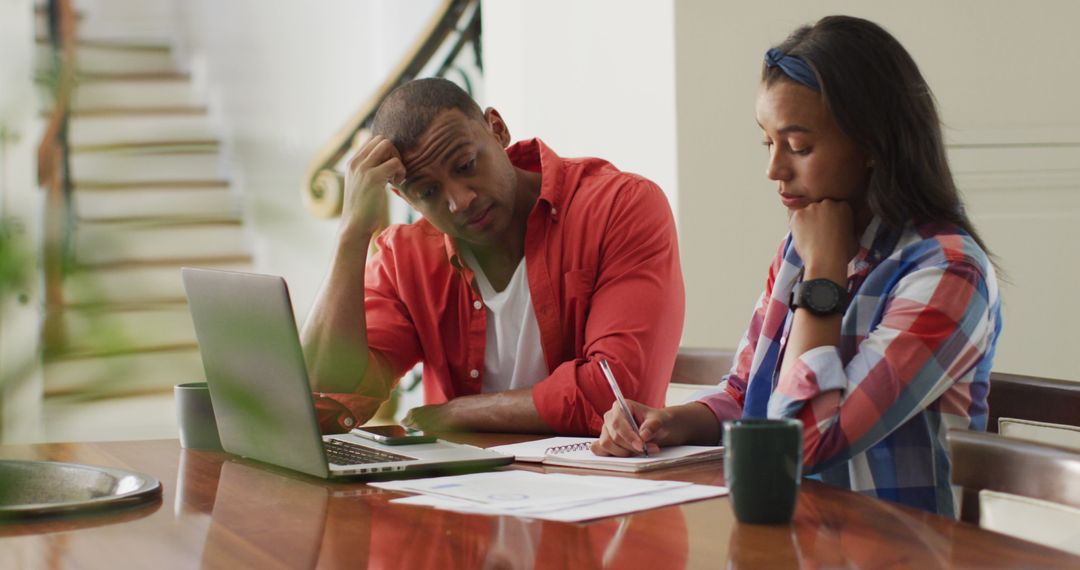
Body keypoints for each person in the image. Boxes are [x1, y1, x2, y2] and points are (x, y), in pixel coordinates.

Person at [593, 15, 1002, 517]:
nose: (774, 170)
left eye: (799, 146)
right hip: (789, 539)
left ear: (873, 144)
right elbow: (752, 395)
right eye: (768, 142)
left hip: (893, 551)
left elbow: (802, 445)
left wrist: (824, 277)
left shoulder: (948, 273)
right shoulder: (801, 245)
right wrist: (668, 421)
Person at [302, 78, 684, 435]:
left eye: (466, 165)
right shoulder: (405, 258)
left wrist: (458, 412)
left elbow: (619, 395)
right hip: (462, 494)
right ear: (403, 198)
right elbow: (323, 396)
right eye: (428, 192)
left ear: (497, 129)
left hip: (605, 491)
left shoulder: (619, 207)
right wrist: (351, 235)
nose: (460, 200)